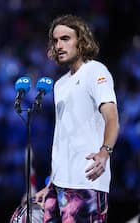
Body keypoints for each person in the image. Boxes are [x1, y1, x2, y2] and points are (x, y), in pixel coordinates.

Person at [34, 14, 120, 223]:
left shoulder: (96, 71)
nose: (59, 45)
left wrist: (104, 152)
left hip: (87, 181)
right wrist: (51, 184)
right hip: (59, 185)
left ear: (81, 41)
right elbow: (63, 138)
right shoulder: (60, 85)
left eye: (66, 38)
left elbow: (112, 117)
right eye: (55, 41)